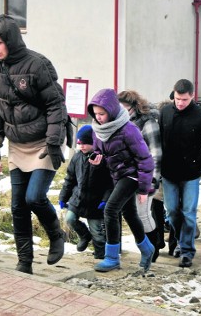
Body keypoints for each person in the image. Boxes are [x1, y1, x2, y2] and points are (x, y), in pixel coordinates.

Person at [0, 14, 69, 274]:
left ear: (10, 40)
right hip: (17, 143)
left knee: (34, 197)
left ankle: (56, 234)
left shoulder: (37, 64)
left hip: (44, 140)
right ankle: (24, 262)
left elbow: (56, 104)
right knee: (18, 205)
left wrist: (54, 141)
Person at [87, 88, 155, 273]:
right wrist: (96, 157)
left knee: (110, 210)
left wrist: (143, 189)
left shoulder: (129, 129)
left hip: (132, 175)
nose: (98, 117)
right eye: (95, 114)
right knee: (130, 214)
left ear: (111, 110)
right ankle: (147, 249)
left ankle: (111, 257)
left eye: (102, 113)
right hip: (116, 175)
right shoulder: (98, 129)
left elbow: (145, 159)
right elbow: (100, 150)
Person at [159, 78, 201, 268]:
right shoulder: (165, 112)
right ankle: (180, 240)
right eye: (177, 99)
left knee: (188, 213)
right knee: (173, 212)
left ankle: (186, 251)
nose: (180, 103)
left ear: (192, 96)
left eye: (184, 99)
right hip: (168, 172)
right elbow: (158, 141)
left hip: (190, 174)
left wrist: (200, 163)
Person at [117, 89, 163, 261]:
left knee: (143, 214)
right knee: (131, 213)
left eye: (125, 109)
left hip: (145, 176)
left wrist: (152, 181)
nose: (122, 113)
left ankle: (154, 246)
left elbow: (156, 154)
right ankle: (149, 246)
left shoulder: (147, 123)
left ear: (134, 107)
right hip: (127, 175)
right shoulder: (120, 122)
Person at [58, 125, 112, 260]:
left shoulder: (103, 159)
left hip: (96, 202)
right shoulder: (76, 158)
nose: (82, 146)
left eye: (85, 143)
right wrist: (63, 197)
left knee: (97, 232)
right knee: (70, 219)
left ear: (94, 142)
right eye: (79, 143)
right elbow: (70, 179)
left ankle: (100, 255)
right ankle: (84, 235)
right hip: (78, 199)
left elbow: (109, 183)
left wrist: (105, 200)